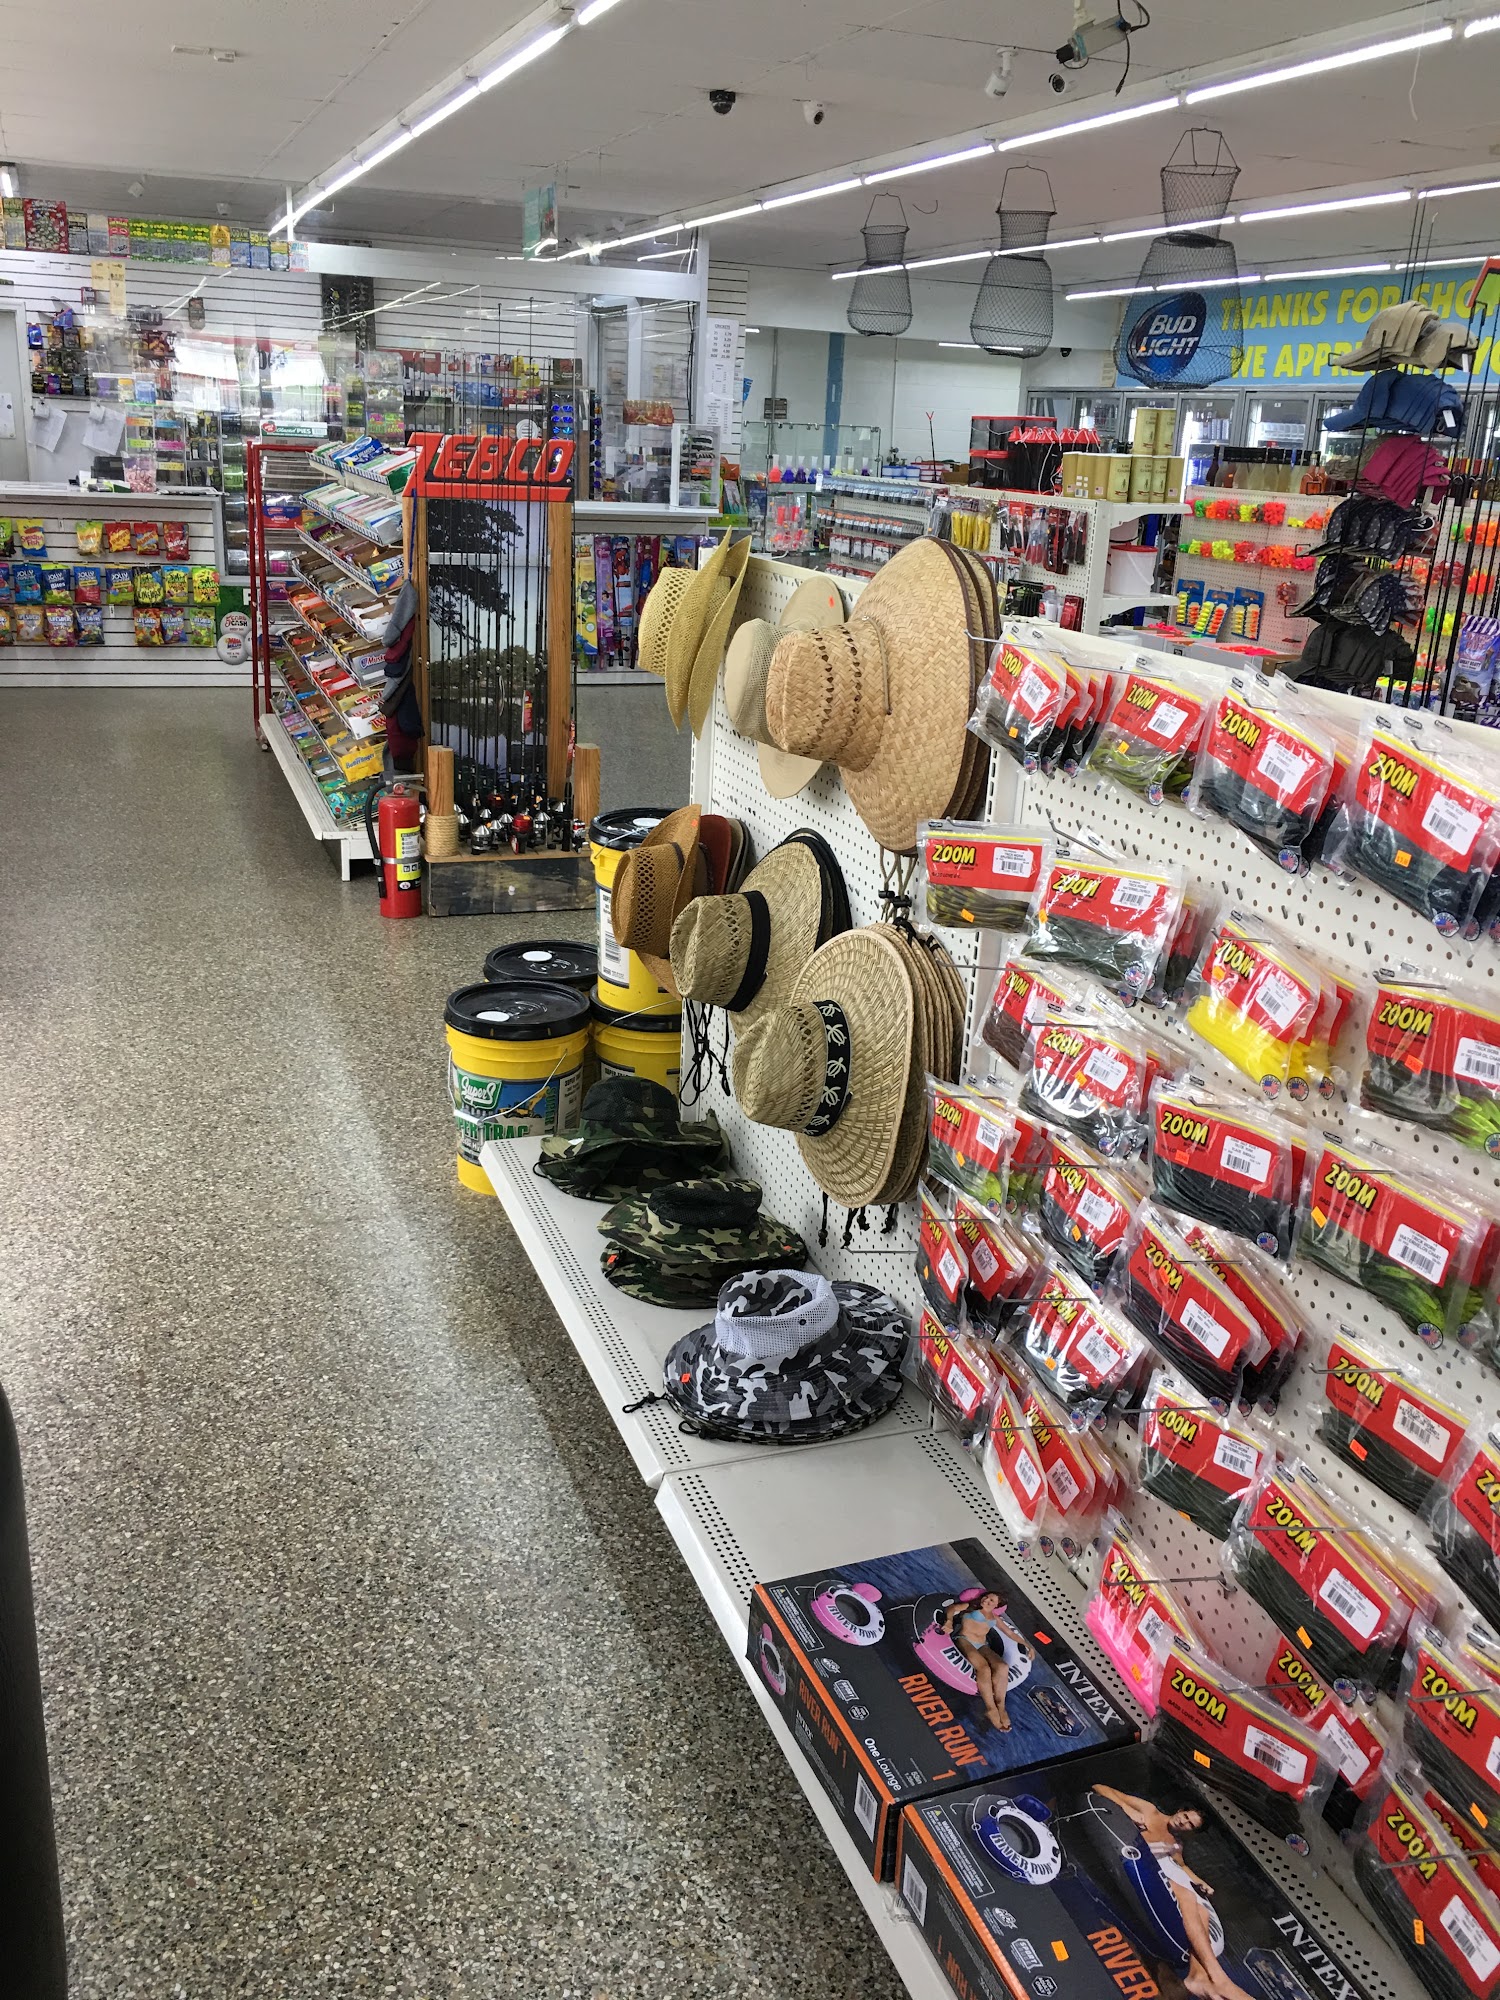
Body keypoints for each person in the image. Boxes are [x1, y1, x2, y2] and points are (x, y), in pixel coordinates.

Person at [1092, 1785, 1255, 2000]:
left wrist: (1200, 1881)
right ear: (1180, 1810)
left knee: (1202, 1912)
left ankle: (1197, 1976)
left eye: (1190, 1825)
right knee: (1186, 1896)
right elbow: (1099, 1787)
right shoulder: (1150, 1811)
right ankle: (1220, 1978)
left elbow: (1181, 1866)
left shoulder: (1176, 1844)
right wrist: (1126, 1808)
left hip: (1156, 1872)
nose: (1183, 1822)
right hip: (1134, 1862)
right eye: (1185, 1816)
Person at [939, 1591, 1032, 1733]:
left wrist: (1028, 1646)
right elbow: (952, 1608)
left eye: (991, 1600)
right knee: (984, 1668)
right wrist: (949, 1620)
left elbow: (1010, 1633)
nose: (987, 1600)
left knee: (1002, 1666)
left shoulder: (995, 1618)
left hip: (982, 1645)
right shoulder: (971, 1607)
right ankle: (990, 1708)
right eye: (987, 1597)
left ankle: (1001, 1706)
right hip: (964, 1640)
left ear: (997, 1605)